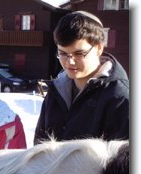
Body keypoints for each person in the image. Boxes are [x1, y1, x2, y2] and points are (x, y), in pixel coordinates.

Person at [34, 11, 129, 144]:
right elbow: (39, 148)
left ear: (99, 48)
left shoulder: (120, 97)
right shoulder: (55, 91)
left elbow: (122, 161)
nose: (69, 62)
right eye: (62, 53)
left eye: (79, 54)